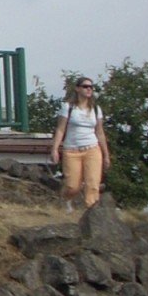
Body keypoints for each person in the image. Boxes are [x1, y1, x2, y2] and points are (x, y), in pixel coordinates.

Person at [50, 75, 111, 210]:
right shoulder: (68, 107)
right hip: (72, 150)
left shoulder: (96, 109)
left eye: (91, 87)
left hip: (92, 149)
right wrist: (54, 149)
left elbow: (100, 132)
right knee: (73, 186)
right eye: (85, 86)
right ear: (78, 89)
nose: (89, 89)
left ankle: (92, 215)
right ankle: (65, 199)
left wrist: (106, 155)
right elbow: (60, 129)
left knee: (93, 184)